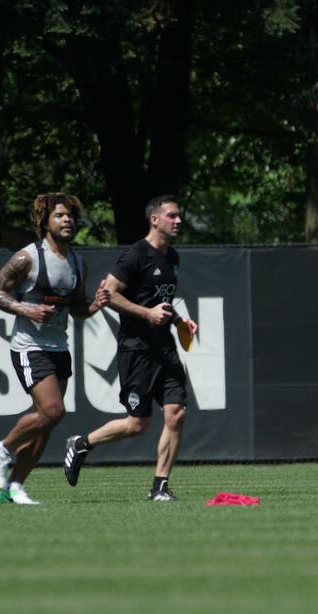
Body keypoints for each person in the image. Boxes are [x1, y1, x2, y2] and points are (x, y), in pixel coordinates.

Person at [62, 194, 198, 501]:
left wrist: (179, 321)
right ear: (155, 219)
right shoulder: (135, 255)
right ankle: (82, 444)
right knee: (138, 424)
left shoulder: (171, 257)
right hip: (137, 350)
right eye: (172, 216)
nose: (178, 221)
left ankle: (160, 487)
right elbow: (108, 295)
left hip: (165, 347)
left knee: (176, 413)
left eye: (179, 216)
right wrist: (147, 314)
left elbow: (160, 301)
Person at [0, 192, 110, 504]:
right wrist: (27, 310)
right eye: (60, 215)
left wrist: (97, 304)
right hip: (29, 346)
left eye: (70, 216)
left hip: (58, 347)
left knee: (48, 423)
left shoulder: (78, 263)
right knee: (53, 410)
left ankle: (14, 487)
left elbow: (78, 310)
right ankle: (2, 448)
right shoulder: (27, 258)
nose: (67, 220)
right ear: (44, 222)